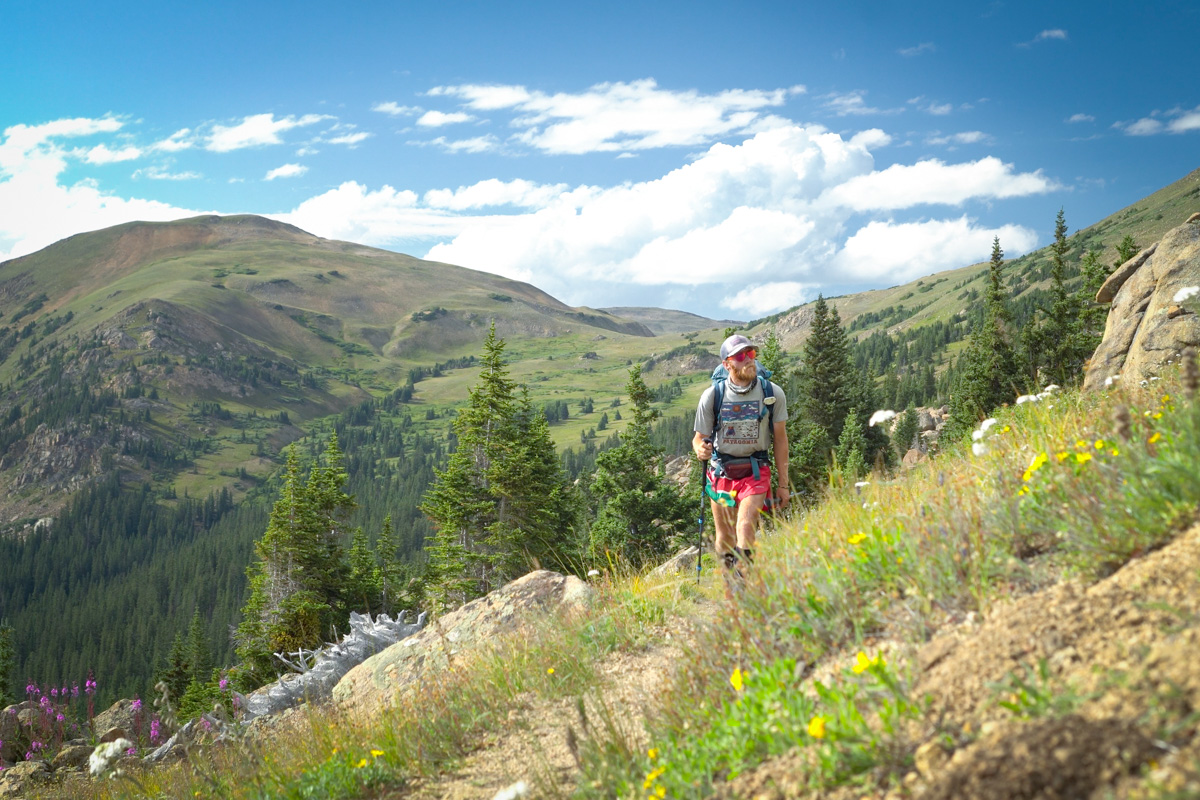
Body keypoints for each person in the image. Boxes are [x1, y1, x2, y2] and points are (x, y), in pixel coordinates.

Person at [692, 334, 789, 574]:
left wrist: (784, 484)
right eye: (740, 356)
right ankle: (729, 581)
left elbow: (780, 439)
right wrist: (699, 449)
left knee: (745, 526)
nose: (748, 360)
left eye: (751, 354)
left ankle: (743, 585)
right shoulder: (712, 396)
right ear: (727, 364)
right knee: (724, 536)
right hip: (721, 471)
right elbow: (697, 439)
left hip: (756, 470)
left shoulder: (772, 393)